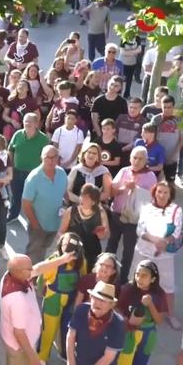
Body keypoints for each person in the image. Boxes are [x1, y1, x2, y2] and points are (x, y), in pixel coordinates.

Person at [132, 181, 182, 329]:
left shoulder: (176, 210)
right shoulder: (146, 208)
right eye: (159, 191)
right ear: (154, 192)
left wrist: (165, 242)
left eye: (165, 192)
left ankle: (170, 315)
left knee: (167, 286)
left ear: (170, 194)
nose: (162, 195)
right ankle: (134, 309)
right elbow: (140, 230)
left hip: (164, 255)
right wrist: (156, 241)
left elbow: (177, 231)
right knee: (138, 280)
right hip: (143, 251)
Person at [107, 146, 157, 283]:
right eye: (134, 157)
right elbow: (112, 192)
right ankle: (105, 273)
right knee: (111, 246)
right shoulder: (123, 171)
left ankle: (123, 280)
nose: (136, 161)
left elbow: (152, 200)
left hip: (134, 221)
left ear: (146, 160)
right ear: (130, 158)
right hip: (117, 215)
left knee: (128, 252)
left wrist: (137, 189)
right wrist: (124, 188)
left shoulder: (151, 176)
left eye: (140, 158)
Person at [35, 232, 87, 362]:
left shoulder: (81, 262)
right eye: (65, 244)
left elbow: (83, 280)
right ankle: (41, 356)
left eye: (71, 245)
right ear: (60, 245)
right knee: (48, 331)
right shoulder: (54, 261)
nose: (67, 248)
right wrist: (42, 292)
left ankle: (64, 353)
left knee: (67, 329)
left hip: (71, 301)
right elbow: (41, 279)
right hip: (53, 300)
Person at [22, 145, 68, 263]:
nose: (51, 160)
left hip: (56, 224)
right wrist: (36, 225)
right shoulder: (34, 178)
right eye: (48, 157)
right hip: (39, 226)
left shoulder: (62, 173)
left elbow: (65, 193)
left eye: (54, 157)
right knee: (34, 256)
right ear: (41, 158)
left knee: (50, 255)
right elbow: (26, 204)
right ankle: (30, 280)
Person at [116, 260, 167, 365]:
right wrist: (126, 321)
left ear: (152, 279)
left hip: (148, 335)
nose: (139, 279)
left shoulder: (159, 294)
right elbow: (117, 308)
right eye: (137, 274)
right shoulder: (127, 289)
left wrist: (150, 304)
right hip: (129, 332)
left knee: (141, 361)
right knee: (124, 361)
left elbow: (159, 320)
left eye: (144, 276)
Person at [66, 281, 125, 365]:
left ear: (111, 305)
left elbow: (108, 357)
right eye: (96, 298)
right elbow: (71, 336)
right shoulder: (81, 309)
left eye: (103, 301)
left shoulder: (118, 324)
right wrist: (71, 362)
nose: (98, 303)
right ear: (90, 297)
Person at [0, 254, 43, 365]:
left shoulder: (9, 275)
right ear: (18, 272)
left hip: (11, 338)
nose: (32, 270)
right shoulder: (18, 299)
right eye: (29, 269)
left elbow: (39, 268)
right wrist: (34, 360)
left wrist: (63, 259)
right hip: (20, 349)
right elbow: (19, 333)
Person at [7, 113, 49, 222]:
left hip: (33, 174)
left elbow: (46, 158)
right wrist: (9, 166)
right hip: (17, 171)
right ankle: (13, 215)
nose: (27, 123)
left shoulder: (43, 139)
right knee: (16, 196)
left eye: (30, 121)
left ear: (36, 124)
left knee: (33, 197)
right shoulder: (17, 134)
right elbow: (10, 150)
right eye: (25, 121)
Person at [58, 183, 109, 271]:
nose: (82, 199)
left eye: (86, 197)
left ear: (93, 201)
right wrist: (65, 243)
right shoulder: (70, 211)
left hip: (92, 252)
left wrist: (102, 235)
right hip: (73, 251)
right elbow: (61, 232)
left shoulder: (101, 212)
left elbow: (107, 233)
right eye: (82, 195)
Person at [150, 95, 182, 182]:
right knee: (154, 181)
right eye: (165, 107)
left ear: (173, 107)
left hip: (172, 157)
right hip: (157, 156)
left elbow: (181, 138)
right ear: (161, 106)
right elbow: (152, 137)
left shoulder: (179, 120)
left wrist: (176, 154)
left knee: (170, 183)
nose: (167, 110)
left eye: (169, 107)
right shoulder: (156, 119)